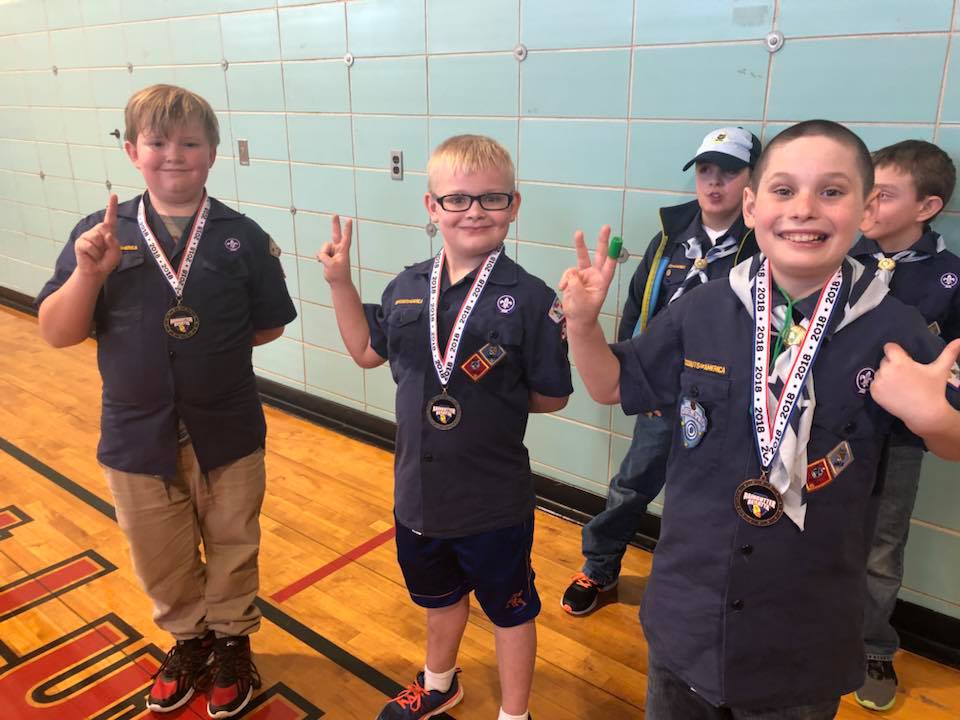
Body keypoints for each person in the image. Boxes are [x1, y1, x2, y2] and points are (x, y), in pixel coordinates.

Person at [559, 120, 960, 718]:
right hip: (690, 611)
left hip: (803, 628)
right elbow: (611, 384)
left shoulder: (894, 327)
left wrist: (937, 419)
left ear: (864, 207)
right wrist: (582, 325)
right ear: (752, 206)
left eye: (831, 191)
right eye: (783, 190)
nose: (804, 209)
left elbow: (954, 442)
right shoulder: (704, 307)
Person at [35, 84, 297, 719]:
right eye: (157, 142)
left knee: (234, 542)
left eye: (190, 143)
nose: (173, 155)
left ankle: (231, 641)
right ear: (132, 151)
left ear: (212, 153)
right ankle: (189, 639)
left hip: (227, 426)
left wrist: (206, 354)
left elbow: (267, 325)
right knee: (157, 551)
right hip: (135, 432)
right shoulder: (98, 236)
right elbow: (57, 332)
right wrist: (88, 274)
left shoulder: (242, 237)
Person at [317, 135, 571, 720]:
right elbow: (365, 351)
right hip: (419, 495)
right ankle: (439, 684)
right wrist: (339, 283)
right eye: (456, 199)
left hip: (493, 501)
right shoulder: (407, 288)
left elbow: (552, 395)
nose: (474, 211)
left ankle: (515, 714)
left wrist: (491, 404)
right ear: (432, 207)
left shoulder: (532, 299)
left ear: (513, 206)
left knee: (511, 611)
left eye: (491, 198)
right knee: (440, 598)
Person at [562, 127, 761, 615]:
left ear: (751, 181)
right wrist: (632, 373)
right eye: (706, 170)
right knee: (632, 484)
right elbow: (636, 308)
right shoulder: (670, 238)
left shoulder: (762, 245)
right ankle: (600, 566)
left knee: (713, 497)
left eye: (729, 172)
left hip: (725, 399)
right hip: (663, 392)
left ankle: (701, 585)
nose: (714, 182)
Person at [847, 139, 959, 711]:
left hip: (900, 438)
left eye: (884, 195)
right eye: (864, 190)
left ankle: (872, 646)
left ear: (927, 207)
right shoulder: (842, 256)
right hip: (829, 425)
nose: (867, 204)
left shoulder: (951, 277)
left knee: (882, 545)